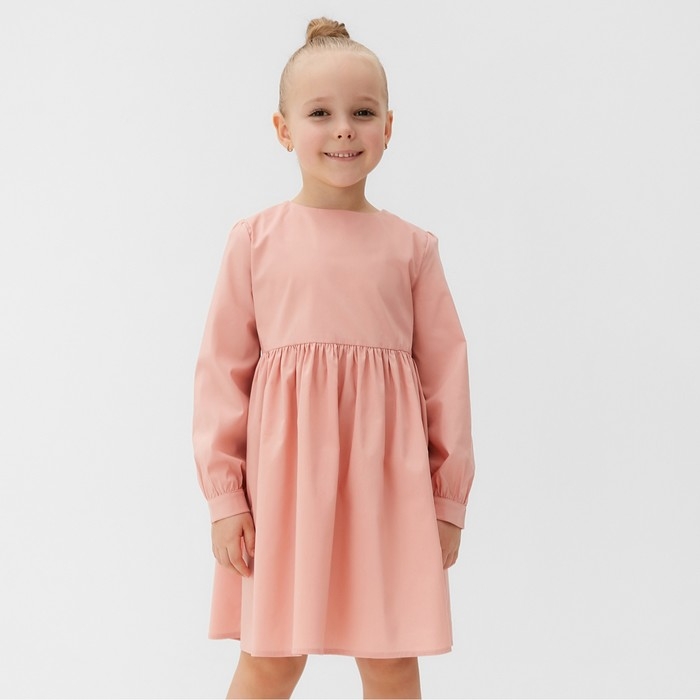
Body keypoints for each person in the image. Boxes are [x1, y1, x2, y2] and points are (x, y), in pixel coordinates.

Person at [192, 16, 477, 700]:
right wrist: (225, 497)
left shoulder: (413, 249)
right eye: (320, 113)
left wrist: (446, 500)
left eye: (363, 112)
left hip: (388, 493)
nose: (344, 129)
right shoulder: (255, 241)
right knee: (271, 659)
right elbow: (221, 376)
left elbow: (447, 379)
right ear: (283, 128)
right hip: (283, 492)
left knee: (390, 662)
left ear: (389, 127)